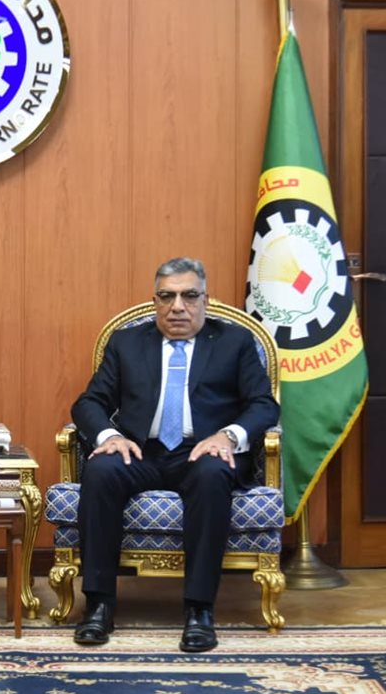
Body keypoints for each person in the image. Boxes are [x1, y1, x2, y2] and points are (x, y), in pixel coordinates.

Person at [70, 257, 279, 652]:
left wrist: (228, 436)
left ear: (206, 301)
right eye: (167, 297)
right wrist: (110, 435)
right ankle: (98, 605)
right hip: (141, 451)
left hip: (202, 450)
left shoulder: (234, 342)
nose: (178, 306)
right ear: (155, 302)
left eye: (189, 296)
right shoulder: (127, 343)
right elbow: (89, 403)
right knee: (100, 471)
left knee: (213, 474)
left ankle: (199, 610)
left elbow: (264, 405)